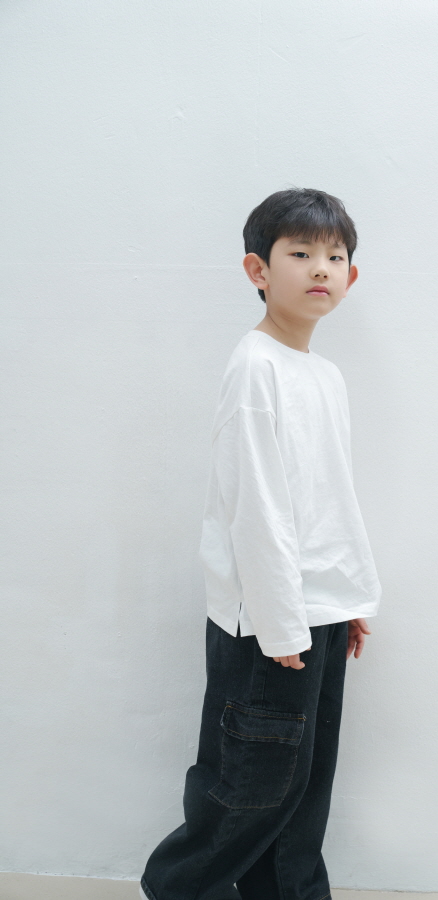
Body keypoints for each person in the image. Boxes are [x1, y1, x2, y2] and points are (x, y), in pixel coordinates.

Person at [139, 188, 382, 900]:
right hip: (271, 622)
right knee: (251, 786)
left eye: (334, 256)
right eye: (300, 252)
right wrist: (281, 621)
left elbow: (329, 497)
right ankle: (179, 888)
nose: (320, 267)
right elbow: (257, 507)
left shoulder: (325, 375)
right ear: (258, 269)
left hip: (317, 609)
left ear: (351, 276)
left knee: (302, 785)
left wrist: (347, 595)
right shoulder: (256, 366)